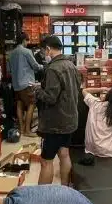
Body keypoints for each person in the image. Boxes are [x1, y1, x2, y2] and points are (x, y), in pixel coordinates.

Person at [33, 35, 79, 185]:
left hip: (55, 123)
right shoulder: (71, 65)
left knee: (46, 161)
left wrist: (37, 90)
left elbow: (50, 97)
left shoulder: (53, 68)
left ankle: (43, 195)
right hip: (70, 120)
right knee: (64, 154)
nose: (44, 55)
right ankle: (65, 188)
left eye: (43, 51)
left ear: (48, 49)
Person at [8, 32, 43, 137]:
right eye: (27, 41)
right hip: (27, 83)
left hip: (16, 84)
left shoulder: (11, 53)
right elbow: (35, 66)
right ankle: (28, 130)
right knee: (32, 104)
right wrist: (44, 66)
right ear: (24, 40)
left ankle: (22, 129)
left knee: (19, 104)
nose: (28, 43)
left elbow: (10, 70)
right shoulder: (26, 51)